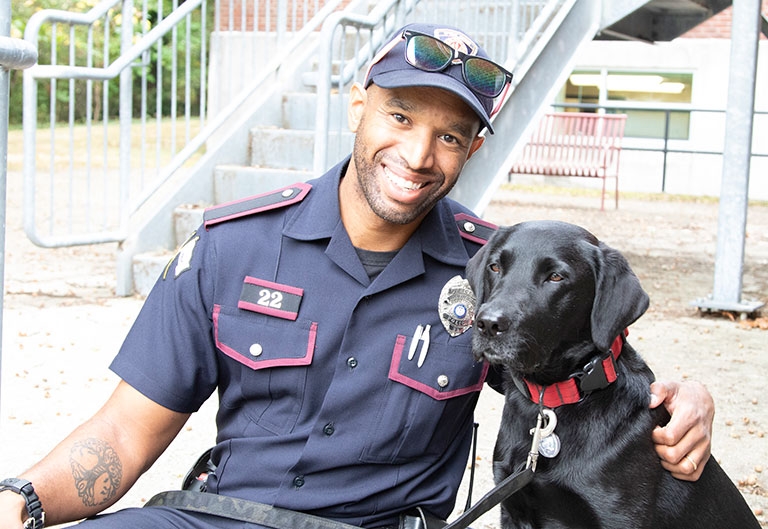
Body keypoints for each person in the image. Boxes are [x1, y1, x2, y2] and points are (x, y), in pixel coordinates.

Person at [0, 22, 714, 529]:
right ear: (357, 103)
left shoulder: (489, 271)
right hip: (215, 518)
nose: (417, 153)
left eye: (449, 136)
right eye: (400, 116)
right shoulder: (230, 247)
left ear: (468, 150)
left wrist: (684, 399)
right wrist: (21, 500)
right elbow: (124, 435)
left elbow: (577, 366)